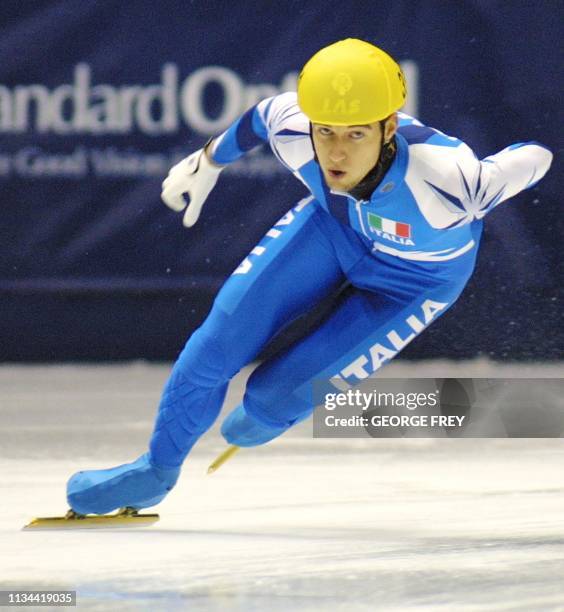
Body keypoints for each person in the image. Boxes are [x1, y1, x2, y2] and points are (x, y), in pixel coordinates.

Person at [67, 39, 552, 515]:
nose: (336, 154)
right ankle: (154, 472)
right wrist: (209, 160)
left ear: (389, 127)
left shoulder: (450, 183)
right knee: (217, 342)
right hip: (334, 227)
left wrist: (497, 177)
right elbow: (258, 119)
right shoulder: (293, 126)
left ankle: (266, 415)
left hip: (415, 281)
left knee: (269, 402)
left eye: (356, 134)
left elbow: (536, 156)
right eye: (327, 132)